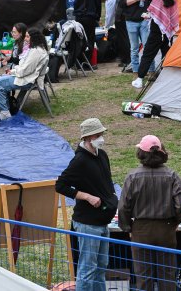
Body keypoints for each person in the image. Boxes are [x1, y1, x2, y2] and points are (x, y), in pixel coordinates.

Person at [118, 134, 181, 291]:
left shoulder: (133, 176)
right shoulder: (171, 175)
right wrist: (175, 222)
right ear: (162, 152)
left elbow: (123, 207)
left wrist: (127, 228)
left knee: (143, 277)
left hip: (141, 231)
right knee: (167, 277)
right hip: (166, 230)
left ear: (141, 153)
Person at [56, 118, 117, 291]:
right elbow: (60, 185)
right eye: (98, 135)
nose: (102, 138)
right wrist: (87, 197)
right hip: (87, 224)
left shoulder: (102, 155)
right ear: (88, 137)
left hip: (103, 221)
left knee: (101, 266)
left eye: (102, 134)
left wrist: (111, 197)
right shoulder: (79, 161)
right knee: (87, 269)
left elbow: (107, 180)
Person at [0, 28, 49, 119]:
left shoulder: (36, 51)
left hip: (27, 80)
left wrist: (13, 72)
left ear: (34, 38)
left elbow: (25, 70)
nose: (25, 39)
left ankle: (4, 112)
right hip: (26, 76)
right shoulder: (36, 49)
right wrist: (12, 71)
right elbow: (25, 67)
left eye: (27, 37)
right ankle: (2, 109)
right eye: (25, 36)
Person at [132, 0, 178, 88]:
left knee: (147, 55)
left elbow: (153, 14)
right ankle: (165, 79)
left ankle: (140, 79)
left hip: (156, 33)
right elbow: (172, 17)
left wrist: (146, 16)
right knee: (166, 56)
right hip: (167, 33)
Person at [117, 0, 154, 74]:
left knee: (147, 46)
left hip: (144, 21)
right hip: (131, 21)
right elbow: (122, 3)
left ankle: (151, 69)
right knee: (134, 48)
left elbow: (153, 1)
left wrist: (150, 12)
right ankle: (135, 70)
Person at [74, 0, 102, 64]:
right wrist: (97, 17)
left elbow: (76, 3)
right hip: (90, 18)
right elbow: (98, 5)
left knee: (80, 39)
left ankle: (79, 61)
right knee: (90, 39)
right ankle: (87, 62)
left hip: (80, 17)